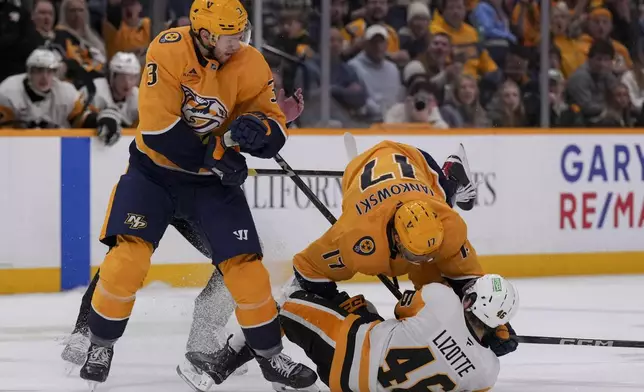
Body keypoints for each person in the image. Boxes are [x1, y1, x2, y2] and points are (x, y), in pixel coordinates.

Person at [75, 1, 317, 391]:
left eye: (242, 33)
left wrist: (266, 134)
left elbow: (273, 119)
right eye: (230, 36)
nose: (239, 42)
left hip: (209, 186)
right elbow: (158, 131)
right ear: (204, 34)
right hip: (154, 176)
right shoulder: (166, 49)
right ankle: (99, 343)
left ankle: (271, 357)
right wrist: (220, 153)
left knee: (246, 269)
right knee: (126, 261)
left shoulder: (251, 62)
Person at [187, 140, 519, 384]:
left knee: (443, 202)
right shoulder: (355, 237)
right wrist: (335, 304)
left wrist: (490, 322)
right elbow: (307, 270)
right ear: (395, 239)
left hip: (418, 176)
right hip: (375, 171)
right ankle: (235, 353)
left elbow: (470, 281)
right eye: (414, 255)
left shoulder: (447, 226)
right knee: (294, 295)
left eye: (426, 254)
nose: (423, 262)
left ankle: (451, 175)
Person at [280, 274, 519, 392]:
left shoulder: (441, 298)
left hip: (344, 353)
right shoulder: (488, 372)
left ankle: (258, 356)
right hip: (352, 387)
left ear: (471, 300)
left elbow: (400, 310)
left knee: (284, 304)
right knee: (364, 309)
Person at [0, 48, 119, 133]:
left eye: (49, 71)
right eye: (39, 70)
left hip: (54, 151)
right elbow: (4, 136)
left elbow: (82, 119)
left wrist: (101, 119)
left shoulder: (65, 92)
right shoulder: (9, 91)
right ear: (29, 72)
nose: (45, 77)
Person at [89, 51, 141, 145]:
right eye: (122, 78)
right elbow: (78, 120)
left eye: (132, 78)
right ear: (113, 76)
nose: (127, 83)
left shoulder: (138, 98)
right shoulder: (94, 90)